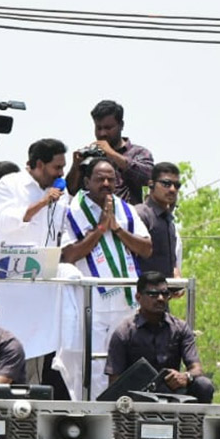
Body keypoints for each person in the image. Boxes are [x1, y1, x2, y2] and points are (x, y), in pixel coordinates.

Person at [62, 159, 152, 393]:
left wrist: (118, 229)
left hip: (126, 299)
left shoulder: (126, 209)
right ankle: (91, 412)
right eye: (99, 179)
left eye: (111, 179)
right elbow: (68, 255)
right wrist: (100, 229)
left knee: (125, 361)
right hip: (91, 301)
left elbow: (146, 248)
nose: (106, 183)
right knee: (92, 363)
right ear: (86, 181)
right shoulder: (72, 211)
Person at [105, 272, 215, 403]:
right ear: (138, 297)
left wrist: (185, 377)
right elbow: (115, 382)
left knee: (204, 385)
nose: (161, 298)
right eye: (153, 294)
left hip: (174, 395)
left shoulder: (180, 328)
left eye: (165, 294)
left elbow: (197, 369)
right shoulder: (124, 333)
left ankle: (194, 423)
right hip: (137, 400)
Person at [65, 99, 154, 205]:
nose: (102, 133)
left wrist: (112, 154)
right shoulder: (90, 156)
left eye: (108, 128)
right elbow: (71, 191)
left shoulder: (139, 153)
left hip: (127, 218)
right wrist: (76, 167)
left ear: (121, 125)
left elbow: (149, 177)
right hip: (93, 218)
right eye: (98, 128)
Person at [0, 138, 70, 247]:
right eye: (57, 168)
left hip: (47, 262)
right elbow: (4, 223)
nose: (61, 173)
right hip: (12, 260)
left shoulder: (61, 191)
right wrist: (42, 203)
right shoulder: (10, 183)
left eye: (63, 167)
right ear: (40, 164)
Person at [135, 162, 184, 278]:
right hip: (141, 292)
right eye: (166, 184)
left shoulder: (168, 220)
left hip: (164, 293)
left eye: (177, 185)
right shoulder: (140, 214)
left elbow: (171, 263)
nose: (172, 189)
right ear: (151, 184)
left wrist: (176, 278)